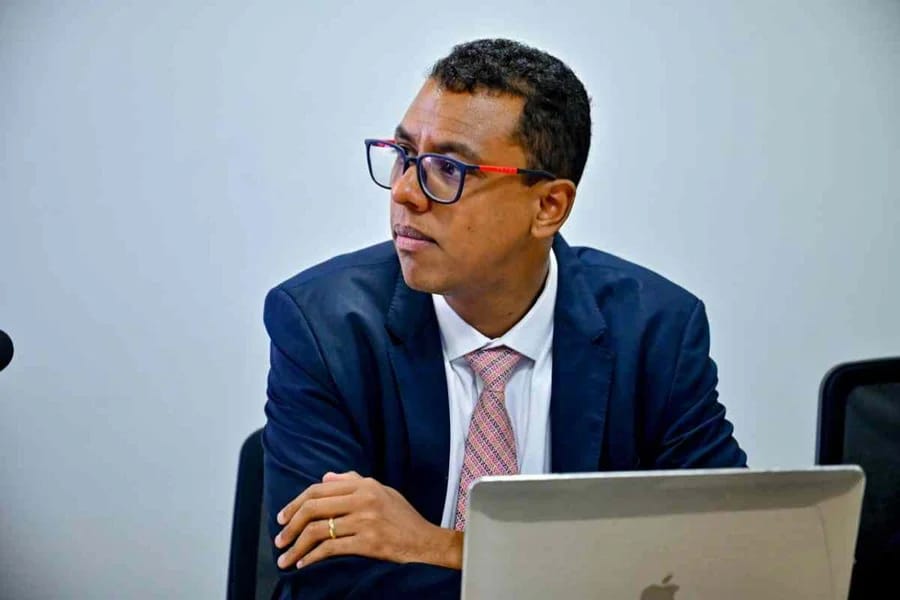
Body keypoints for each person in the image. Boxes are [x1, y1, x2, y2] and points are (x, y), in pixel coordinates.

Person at [261, 38, 746, 599]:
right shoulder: (322, 325)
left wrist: (442, 546)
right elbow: (327, 578)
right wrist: (587, 568)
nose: (405, 192)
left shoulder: (656, 332)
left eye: (448, 168)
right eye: (403, 155)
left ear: (548, 206)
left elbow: (722, 552)